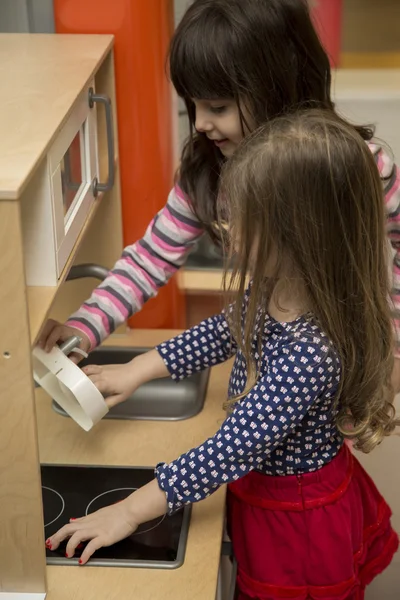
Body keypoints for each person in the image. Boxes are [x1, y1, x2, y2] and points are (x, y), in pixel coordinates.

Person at [47, 110, 399, 598]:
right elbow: (225, 330)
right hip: (264, 492)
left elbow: (227, 450)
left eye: (243, 218)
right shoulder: (281, 285)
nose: (226, 227)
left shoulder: (310, 354)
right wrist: (137, 370)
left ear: (298, 234)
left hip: (296, 521)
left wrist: (127, 511)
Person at [37, 0, 400, 390]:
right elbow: (150, 258)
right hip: (276, 375)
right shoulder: (207, 172)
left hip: (347, 373)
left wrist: (392, 343)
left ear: (277, 84)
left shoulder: (358, 167)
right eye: (192, 104)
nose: (200, 123)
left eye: (218, 106)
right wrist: (83, 328)